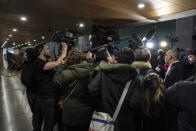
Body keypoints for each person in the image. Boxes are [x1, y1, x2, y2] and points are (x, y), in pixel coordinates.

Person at [88, 47, 139, 131]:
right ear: (132, 60)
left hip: (104, 120)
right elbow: (135, 103)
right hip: (125, 123)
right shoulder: (134, 79)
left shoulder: (104, 72)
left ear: (117, 58)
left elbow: (92, 89)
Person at [53, 51, 94, 131]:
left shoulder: (68, 73)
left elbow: (56, 82)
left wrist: (62, 65)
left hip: (71, 112)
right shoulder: (90, 71)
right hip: (86, 110)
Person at [33, 42, 67, 131]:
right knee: (48, 123)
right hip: (46, 98)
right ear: (41, 51)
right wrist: (64, 49)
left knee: (41, 122)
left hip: (44, 97)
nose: (49, 50)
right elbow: (57, 63)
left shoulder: (45, 61)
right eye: (47, 49)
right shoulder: (38, 63)